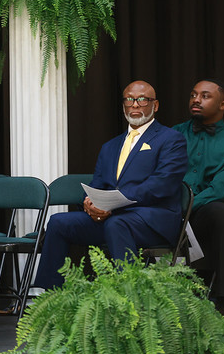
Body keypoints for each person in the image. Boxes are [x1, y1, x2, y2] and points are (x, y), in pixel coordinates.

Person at [33, 80, 188, 290]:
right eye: (129, 99)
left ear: (156, 105)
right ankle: (51, 298)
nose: (135, 105)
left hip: (152, 220)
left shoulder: (171, 139)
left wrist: (115, 203)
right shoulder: (110, 146)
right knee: (59, 222)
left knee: (118, 224)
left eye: (142, 100)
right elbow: (97, 184)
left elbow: (162, 185)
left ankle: (130, 297)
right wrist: (89, 204)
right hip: (113, 218)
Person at [173, 79, 224, 322]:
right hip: (167, 208)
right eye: (193, 94)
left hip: (203, 212)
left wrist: (186, 207)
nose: (196, 99)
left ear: (223, 104)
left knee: (221, 213)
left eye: (205, 96)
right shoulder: (172, 135)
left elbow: (220, 189)